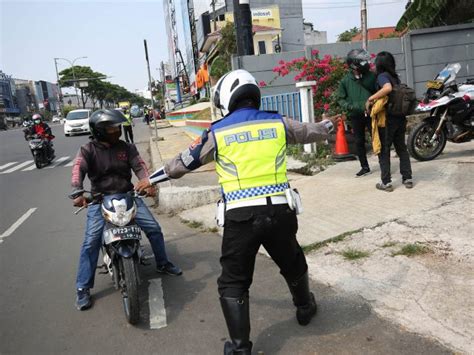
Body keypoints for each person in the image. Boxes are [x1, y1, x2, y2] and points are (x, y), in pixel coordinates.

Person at [135, 70, 340, 354]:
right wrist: (330, 124)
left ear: (226, 98)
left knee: (234, 281)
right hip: (279, 211)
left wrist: (151, 180)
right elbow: (313, 130)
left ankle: (241, 348)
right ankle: (305, 307)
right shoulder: (278, 123)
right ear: (254, 93)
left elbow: (183, 163)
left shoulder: (218, 131)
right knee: (292, 260)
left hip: (241, 217)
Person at [70, 109, 182, 311]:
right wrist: (77, 191)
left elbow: (139, 166)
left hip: (128, 196)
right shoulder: (87, 150)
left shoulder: (127, 148)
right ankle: (82, 288)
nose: (116, 130)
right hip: (99, 200)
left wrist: (147, 182)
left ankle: (163, 262)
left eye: (117, 127)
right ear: (99, 130)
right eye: (111, 128)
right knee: (90, 242)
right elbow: (78, 168)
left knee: (154, 229)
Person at [366, 51, 413, 191]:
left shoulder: (382, 77)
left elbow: (387, 88)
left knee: (384, 150)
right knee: (402, 149)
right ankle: (407, 178)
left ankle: (386, 182)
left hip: (387, 120)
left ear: (378, 64)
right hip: (400, 118)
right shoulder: (395, 77)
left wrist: (370, 99)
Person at [338, 49, 377, 177]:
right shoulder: (345, 81)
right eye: (362, 62)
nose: (366, 64)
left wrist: (373, 104)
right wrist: (352, 107)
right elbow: (341, 99)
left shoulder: (372, 76)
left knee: (377, 138)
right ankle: (364, 167)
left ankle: (384, 164)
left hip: (372, 113)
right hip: (356, 115)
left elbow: (379, 92)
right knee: (359, 141)